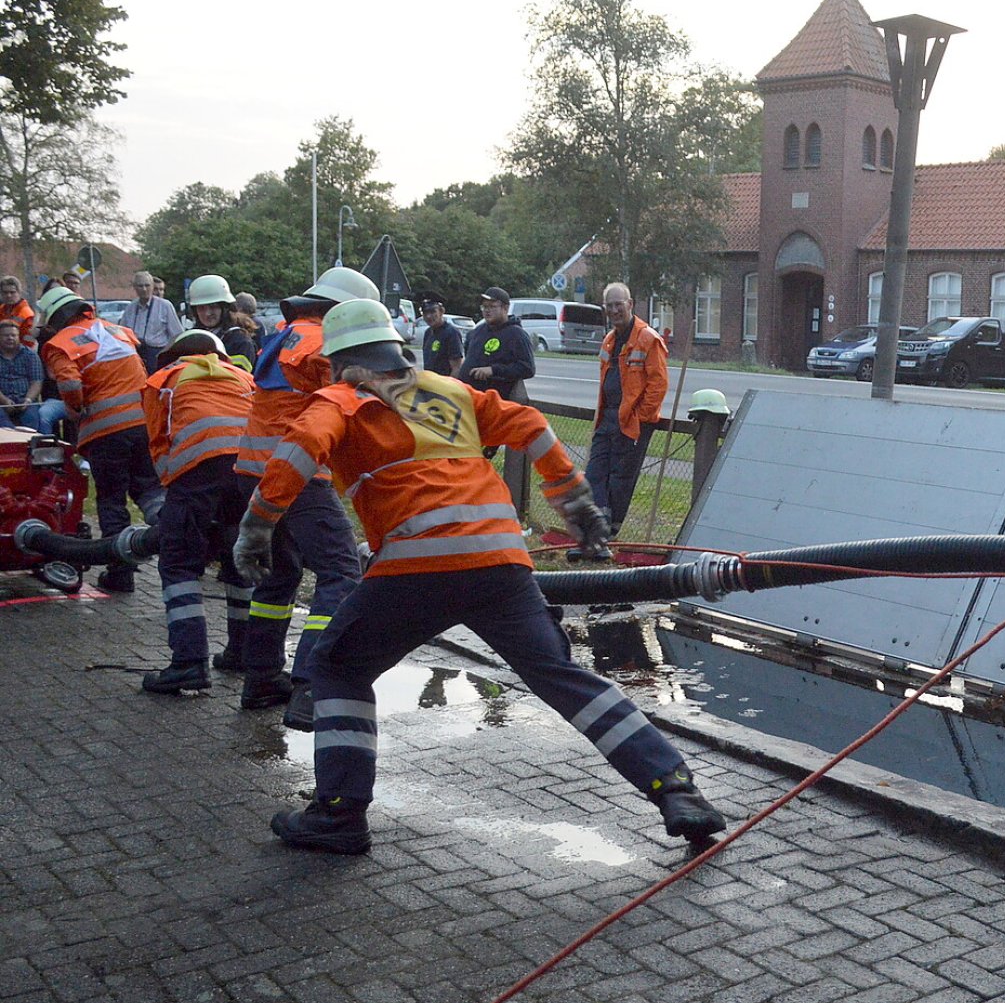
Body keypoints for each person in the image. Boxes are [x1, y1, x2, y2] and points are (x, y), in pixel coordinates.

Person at [235, 297, 726, 855]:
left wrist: (258, 526)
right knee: (561, 677)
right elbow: (531, 426)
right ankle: (677, 789)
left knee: (337, 665)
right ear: (397, 350)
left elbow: (299, 451)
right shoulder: (450, 391)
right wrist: (576, 502)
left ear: (338, 359)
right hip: (502, 564)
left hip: (414, 568)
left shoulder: (342, 399)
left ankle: (339, 814)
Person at [233, 267, 373, 718]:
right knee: (341, 571)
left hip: (256, 471)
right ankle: (311, 686)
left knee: (279, 576)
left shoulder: (285, 333)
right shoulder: (317, 341)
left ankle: (261, 679)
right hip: (297, 473)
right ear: (339, 311)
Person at [138, 330, 256, 696]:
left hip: (197, 473)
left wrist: (172, 496)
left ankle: (189, 663)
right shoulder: (244, 377)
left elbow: (159, 441)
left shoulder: (165, 380)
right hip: (249, 471)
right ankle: (242, 651)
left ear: (175, 355)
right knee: (239, 558)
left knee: (178, 562)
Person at [36, 285, 165, 593]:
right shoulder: (117, 330)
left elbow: (68, 381)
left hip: (107, 433)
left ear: (57, 316)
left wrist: (74, 408)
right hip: (143, 425)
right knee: (149, 489)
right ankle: (176, 539)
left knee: (111, 499)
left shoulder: (59, 343)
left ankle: (121, 573)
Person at [577, 282, 667, 561]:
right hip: (608, 418)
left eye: (619, 304)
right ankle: (597, 534)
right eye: (610, 306)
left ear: (630, 304)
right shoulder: (609, 340)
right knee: (594, 476)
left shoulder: (647, 339)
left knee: (619, 481)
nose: (614, 310)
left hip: (633, 422)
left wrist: (638, 419)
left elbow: (658, 385)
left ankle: (605, 537)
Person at [454, 287, 533, 400]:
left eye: (492, 306)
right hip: (470, 398)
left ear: (505, 308)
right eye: (484, 307)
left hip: (497, 402)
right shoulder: (477, 332)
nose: (487, 310)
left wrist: (493, 370)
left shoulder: (516, 334)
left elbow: (527, 368)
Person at [185, 274, 257, 370]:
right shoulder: (190, 339)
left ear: (225, 308)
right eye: (201, 308)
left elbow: (238, 379)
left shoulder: (240, 341)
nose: (208, 313)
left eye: (213, 306)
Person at [0, 318, 57, 432]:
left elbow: (36, 381)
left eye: (13, 335)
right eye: (6, 335)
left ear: (19, 336)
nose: (10, 338)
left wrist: (28, 400)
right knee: (5, 428)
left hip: (26, 400)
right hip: (1, 402)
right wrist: (4, 401)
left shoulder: (30, 355)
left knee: (32, 425)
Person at [125, 271, 186, 373]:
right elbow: (123, 333)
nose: (144, 289)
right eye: (140, 286)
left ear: (152, 286)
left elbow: (178, 335)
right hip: (136, 355)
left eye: (147, 285)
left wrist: (164, 353)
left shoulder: (165, 306)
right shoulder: (130, 307)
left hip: (157, 354)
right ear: (134, 287)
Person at [417, 291, 463, 375]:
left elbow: (457, 368)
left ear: (441, 311)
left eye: (432, 312)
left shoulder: (451, 333)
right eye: (425, 313)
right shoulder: (428, 333)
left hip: (445, 383)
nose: (428, 316)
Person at [0, 275, 36, 347]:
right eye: (5, 292)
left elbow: (29, 342)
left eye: (12, 292)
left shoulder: (27, 314)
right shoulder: (1, 309)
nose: (8, 295)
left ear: (19, 293)